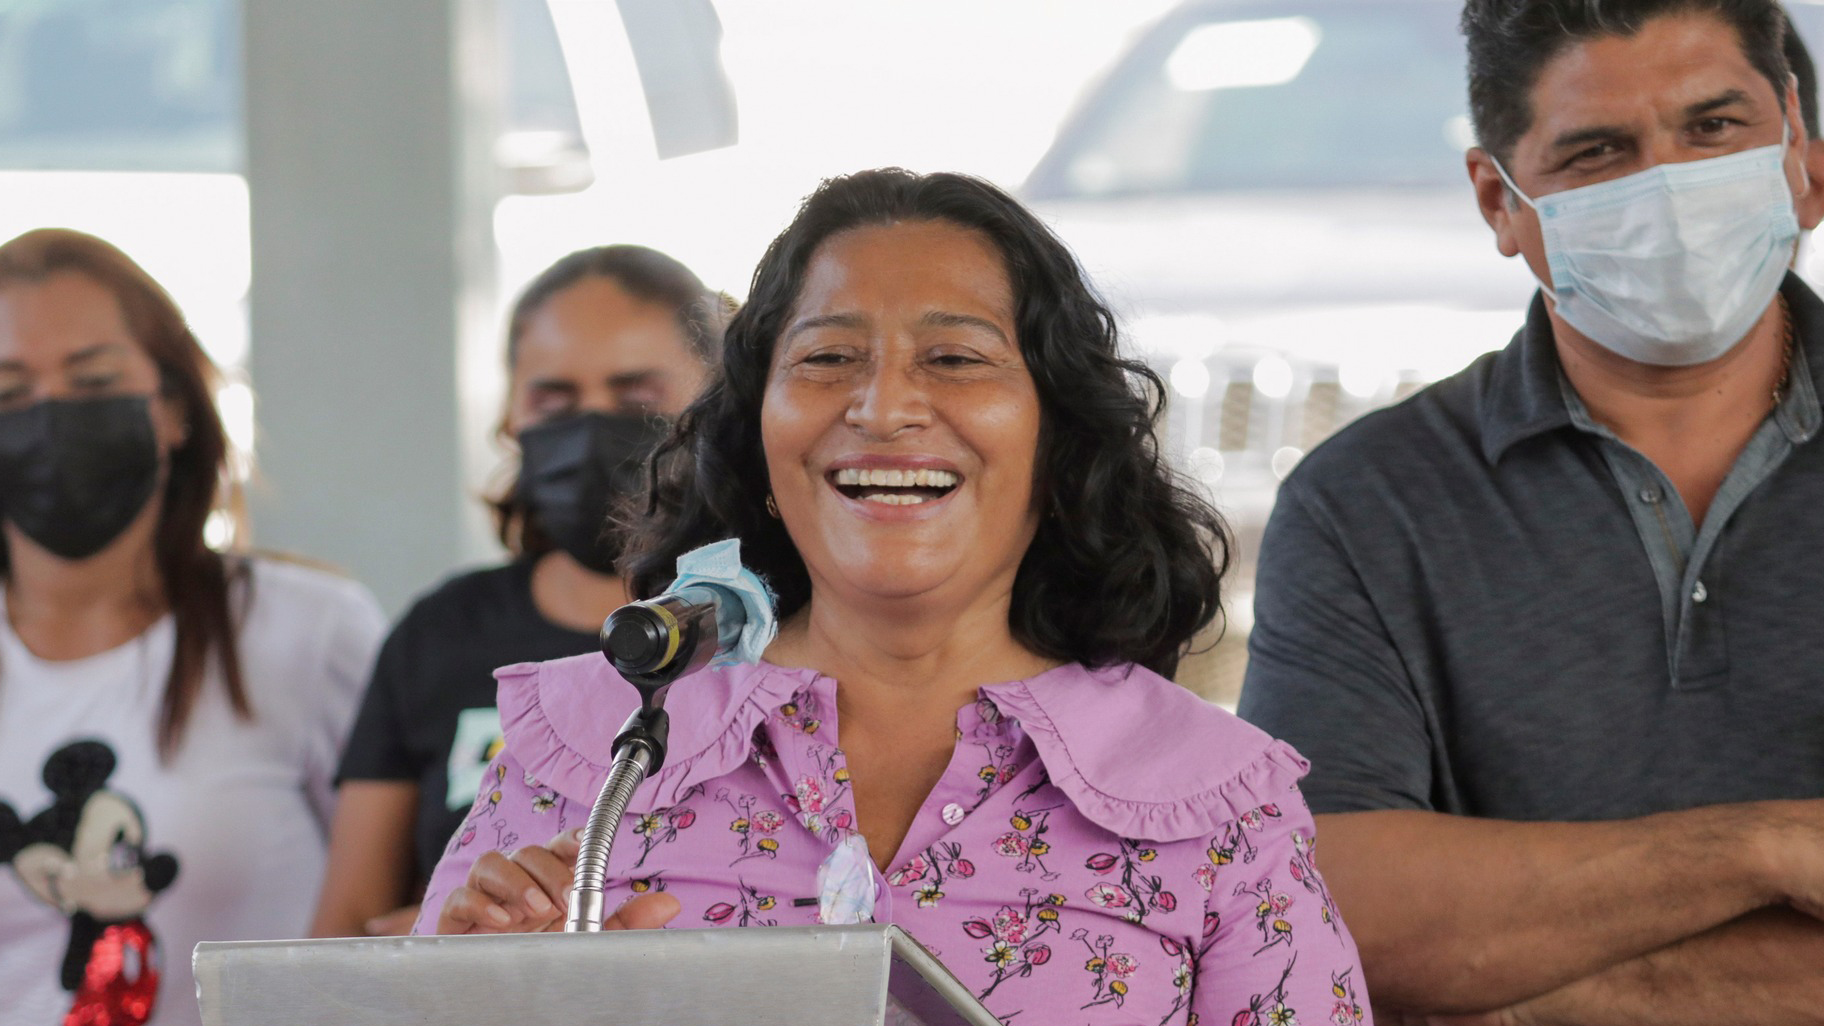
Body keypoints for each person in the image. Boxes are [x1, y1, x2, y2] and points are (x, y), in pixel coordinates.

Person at [414, 169, 1371, 1026]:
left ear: (1060, 432)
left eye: (954, 358)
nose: (881, 408)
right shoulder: (590, 745)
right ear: (759, 430)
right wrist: (467, 1001)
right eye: (827, 359)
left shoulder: (1212, 797)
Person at [1237, 1, 1824, 1022]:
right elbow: (1332, 915)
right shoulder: (1368, 503)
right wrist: (1768, 847)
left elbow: (1410, 961)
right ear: (1499, 203)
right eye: (1598, 152)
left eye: (1714, 130)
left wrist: (1516, 993)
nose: (1670, 189)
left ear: (1803, 155)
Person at [0, 228, 386, 1026]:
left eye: (94, 378)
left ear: (174, 409)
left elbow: (393, 920)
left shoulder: (305, 630)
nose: (51, 419)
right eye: (9, 394)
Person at [310, 246, 723, 938]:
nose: (591, 429)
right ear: (511, 417)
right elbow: (346, 935)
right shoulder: (442, 633)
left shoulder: (780, 633)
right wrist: (443, 940)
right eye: (554, 400)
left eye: (635, 399)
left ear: (714, 409)